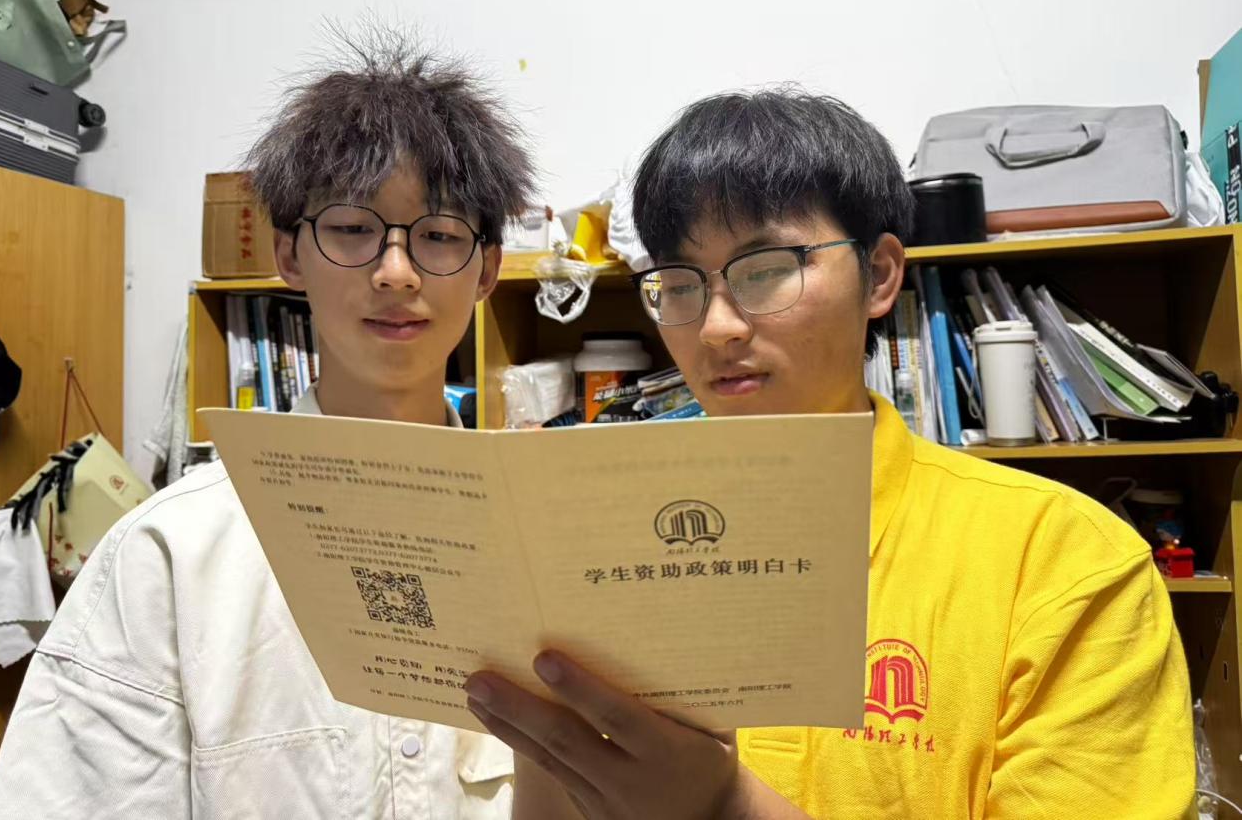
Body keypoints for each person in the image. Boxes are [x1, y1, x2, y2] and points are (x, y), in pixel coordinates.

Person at [461, 89, 1196, 819]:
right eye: (679, 284)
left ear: (880, 275)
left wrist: (724, 808)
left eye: (765, 268)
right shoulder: (601, 539)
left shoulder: (1065, 563)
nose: (715, 327)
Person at [0, 34, 536, 819]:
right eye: (353, 229)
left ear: (487, 271)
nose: (396, 272)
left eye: (440, 235)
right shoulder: (172, 551)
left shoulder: (545, 541)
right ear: (289, 255)